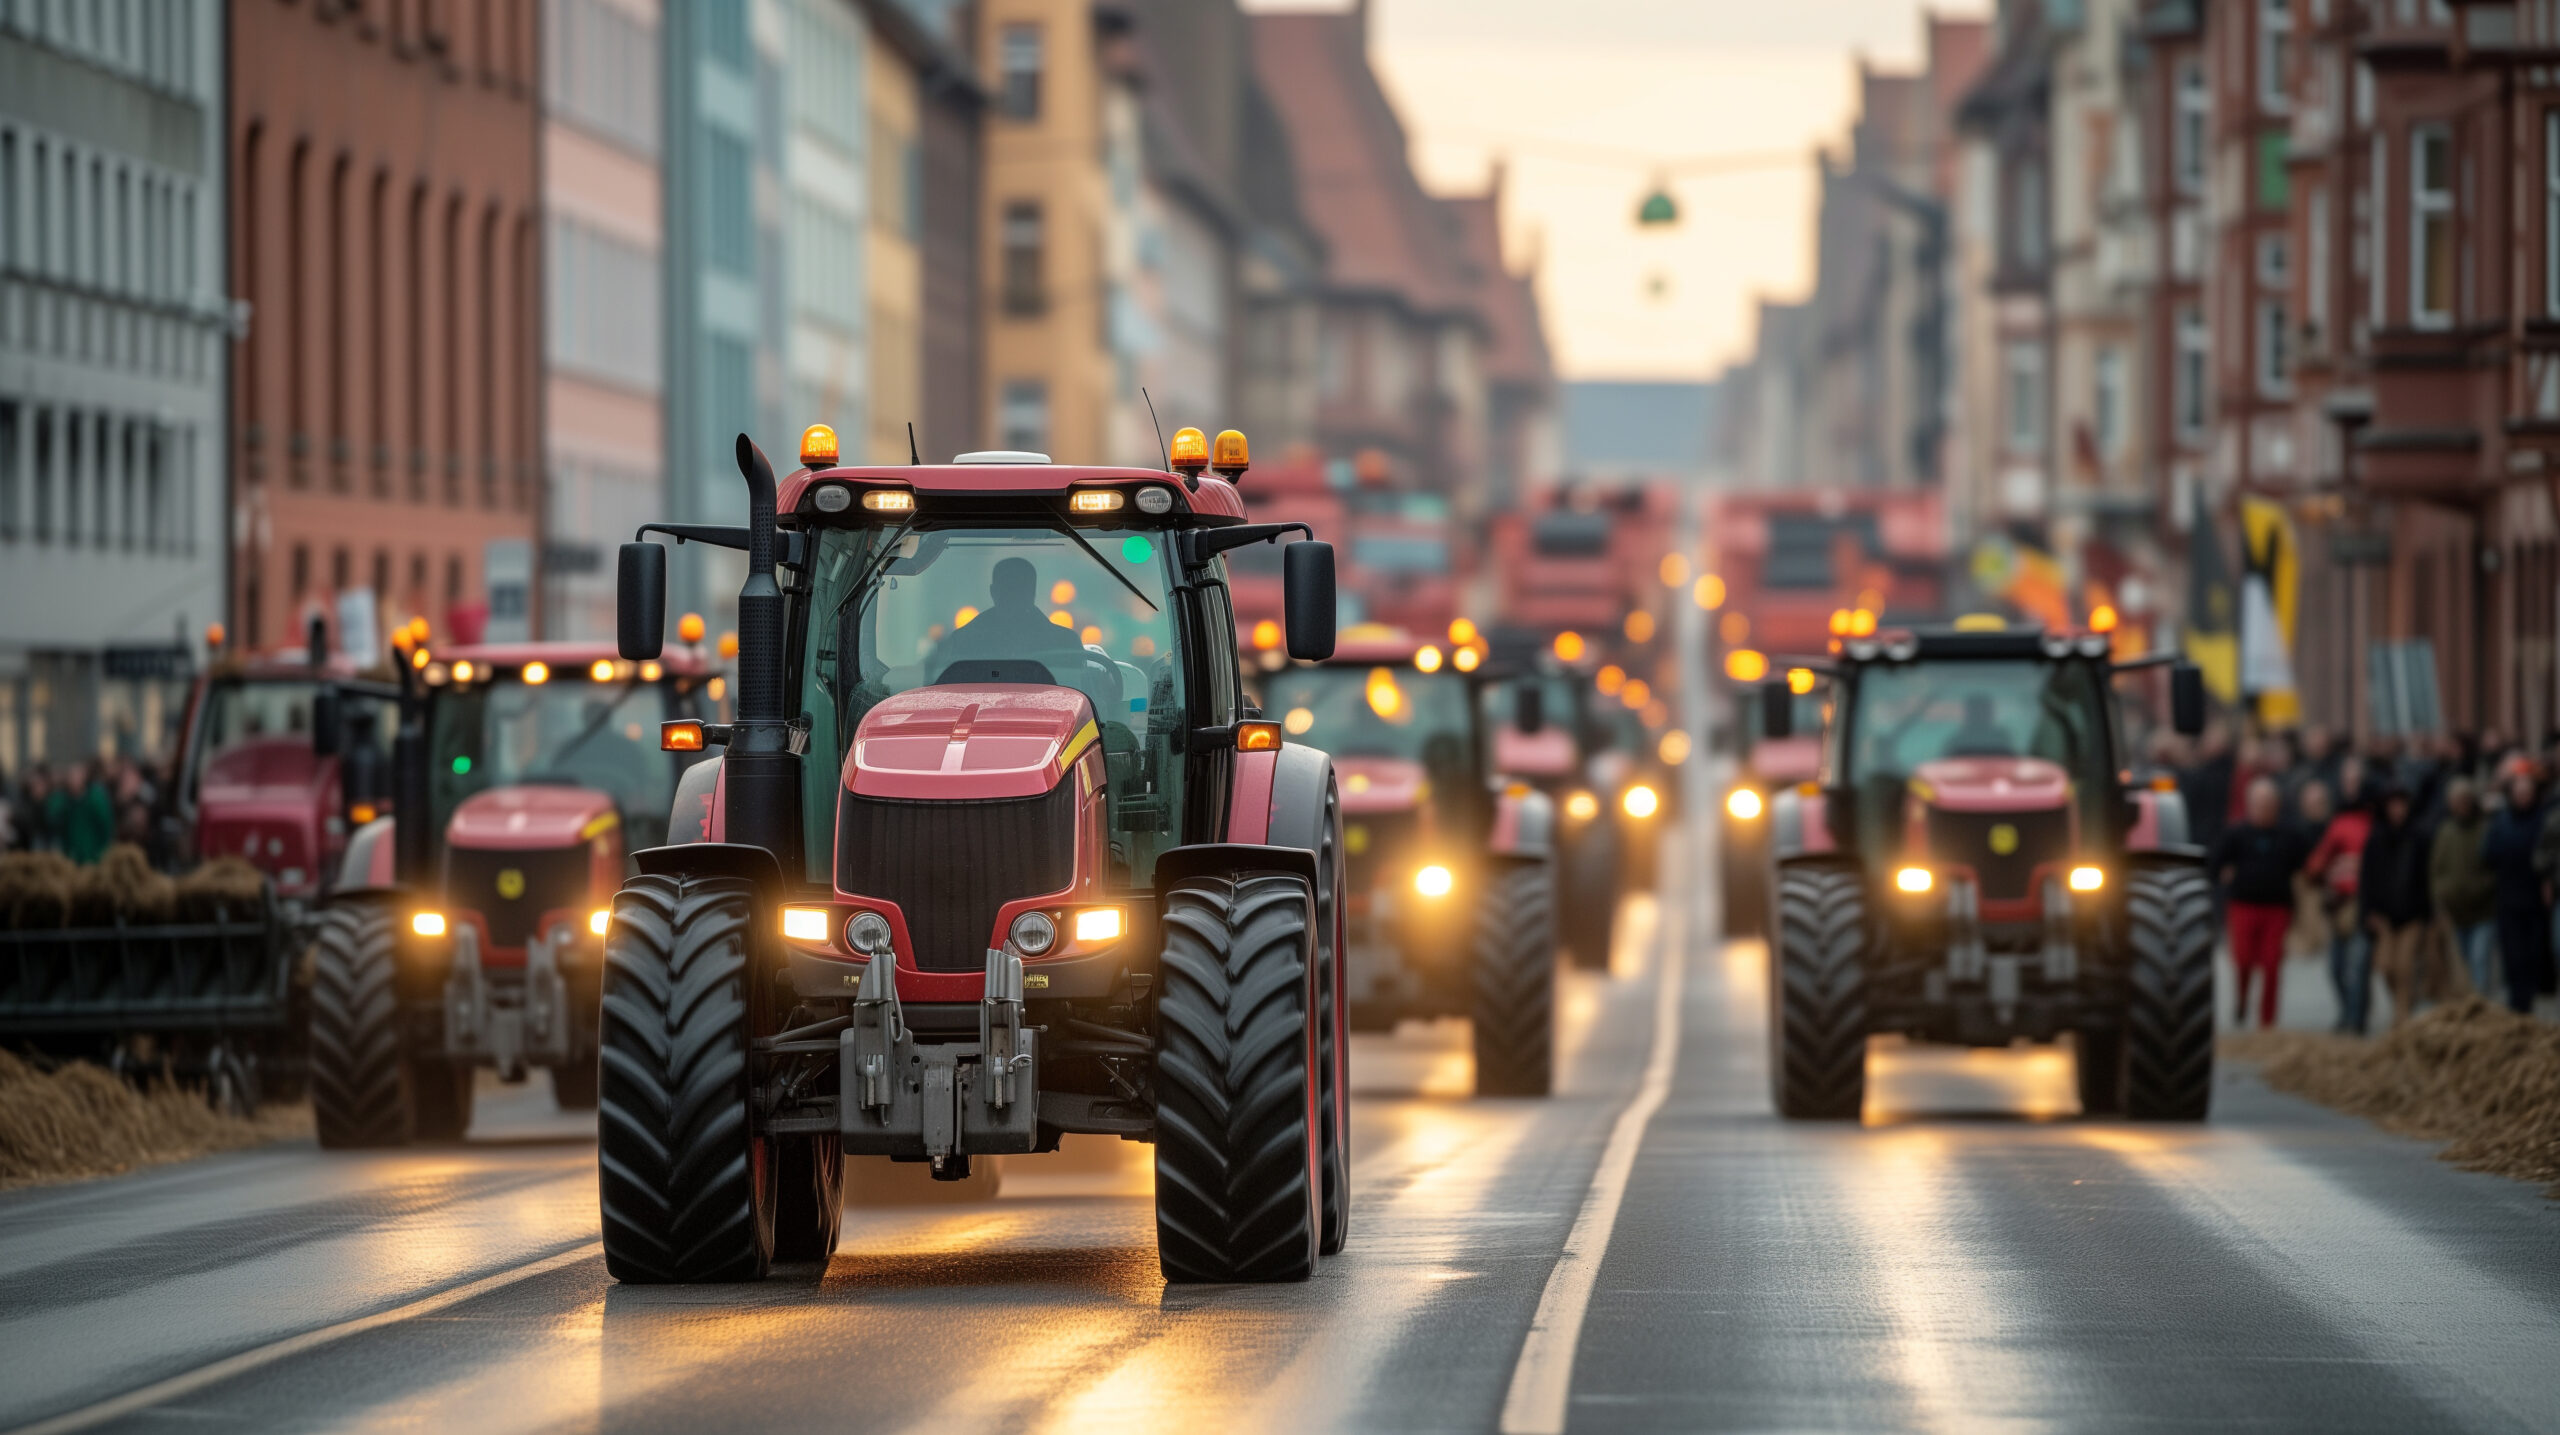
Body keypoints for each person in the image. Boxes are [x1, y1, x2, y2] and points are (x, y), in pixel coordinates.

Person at [2212, 777, 2310, 1029]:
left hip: (2276, 908)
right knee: (2242, 959)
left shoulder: (2289, 835)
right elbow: (2215, 864)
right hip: (2243, 905)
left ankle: (2267, 1021)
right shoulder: (2236, 834)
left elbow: (2306, 866)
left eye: (2268, 804)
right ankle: (2242, 998)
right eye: (2258, 804)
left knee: (2271, 963)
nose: (2263, 809)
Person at [925, 556, 1082, 678]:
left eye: (1019, 589)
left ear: (1032, 592)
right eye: (1008, 589)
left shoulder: (962, 640)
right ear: (994, 592)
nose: (1014, 597)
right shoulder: (1065, 642)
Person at [2305, 759, 2374, 1032]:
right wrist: (2326, 871)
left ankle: (2357, 1022)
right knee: (2336, 968)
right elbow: (2318, 862)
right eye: (2346, 782)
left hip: (2365, 902)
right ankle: (2348, 1013)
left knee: (2358, 967)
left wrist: (2361, 866)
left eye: (2355, 782)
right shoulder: (2339, 821)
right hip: (2340, 904)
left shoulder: (2375, 821)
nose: (2350, 787)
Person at [2481, 766, 2554, 1014]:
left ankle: (2531, 1002)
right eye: (2519, 793)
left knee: (2533, 956)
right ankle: (2517, 1005)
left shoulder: (2543, 819)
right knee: (2513, 957)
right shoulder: (2501, 822)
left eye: (2527, 792)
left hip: (2535, 898)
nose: (2523, 797)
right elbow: (2487, 855)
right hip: (2508, 898)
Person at [2359, 785, 2433, 1028]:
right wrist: (2367, 912)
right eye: (2393, 805)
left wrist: (2428, 915)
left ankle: (2401, 1020)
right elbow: (2366, 879)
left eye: (2402, 805)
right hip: (2383, 916)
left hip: (2412, 914)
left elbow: (2426, 879)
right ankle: (2403, 1008)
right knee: (2386, 967)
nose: (2398, 810)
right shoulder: (2376, 839)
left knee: (2405, 967)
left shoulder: (2419, 838)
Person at [2430, 777, 2499, 998]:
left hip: (2483, 910)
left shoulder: (2484, 829)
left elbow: (2495, 867)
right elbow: (2435, 870)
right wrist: (2441, 895)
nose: (2461, 805)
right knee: (2463, 964)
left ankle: (2482, 1006)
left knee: (2480, 961)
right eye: (2456, 801)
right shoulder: (2445, 831)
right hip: (2455, 912)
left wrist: (2482, 887)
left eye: (2465, 800)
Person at [1946, 692, 2014, 756]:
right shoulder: (1958, 741)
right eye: (1976, 711)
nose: (1979, 714)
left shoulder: (2001, 739)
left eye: (1982, 710)